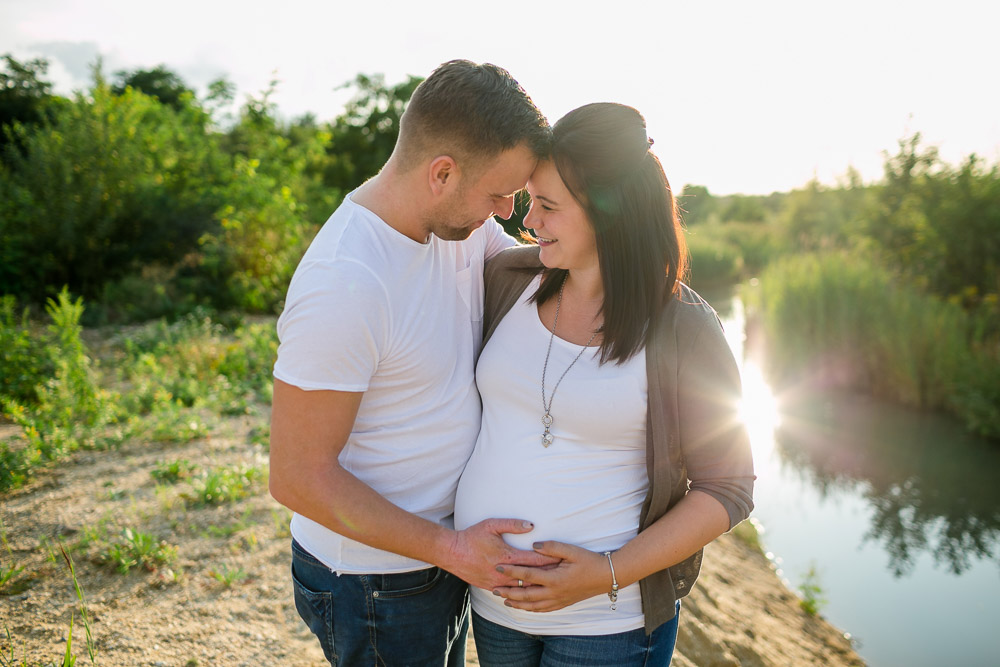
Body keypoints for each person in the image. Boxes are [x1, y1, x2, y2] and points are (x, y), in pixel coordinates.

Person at [268, 60, 553, 666]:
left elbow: (545, 266)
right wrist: (450, 547)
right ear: (442, 173)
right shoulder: (345, 283)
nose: (508, 211)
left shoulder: (462, 228)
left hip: (438, 559)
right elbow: (296, 475)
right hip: (372, 583)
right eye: (499, 193)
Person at [453, 102, 756, 666]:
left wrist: (605, 574)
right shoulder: (507, 281)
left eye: (548, 207)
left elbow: (729, 486)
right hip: (494, 612)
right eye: (529, 203)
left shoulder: (684, 328)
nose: (530, 222)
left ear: (610, 215)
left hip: (609, 626)